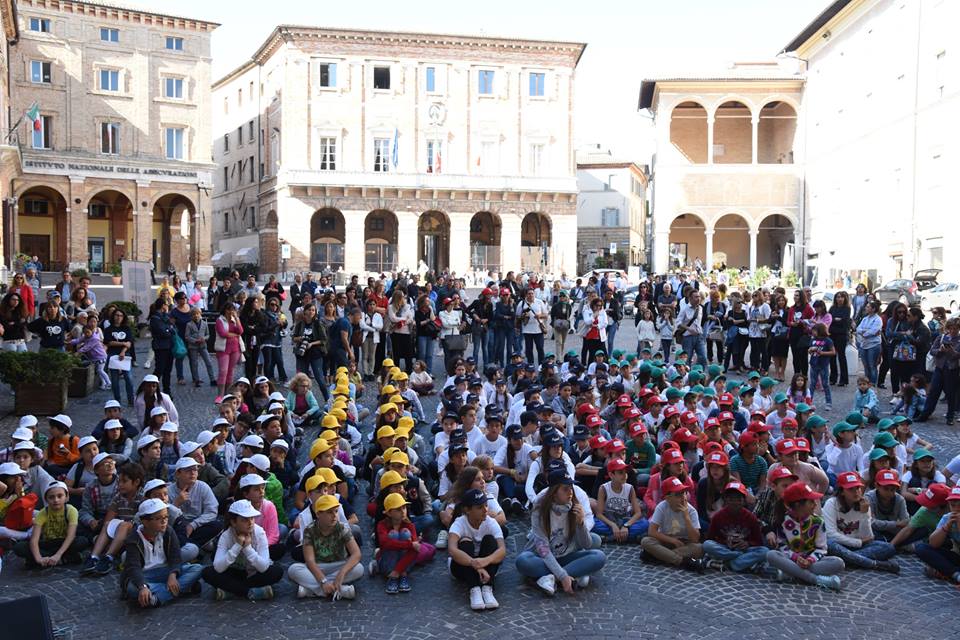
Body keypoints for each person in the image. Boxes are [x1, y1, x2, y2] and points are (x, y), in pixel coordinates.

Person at [121, 497, 204, 608]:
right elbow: (134, 567)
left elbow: (175, 557)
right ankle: (183, 588)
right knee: (132, 588)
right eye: (158, 518)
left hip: (166, 570)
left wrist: (173, 574)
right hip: (146, 576)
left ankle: (158, 597)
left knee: (198, 568)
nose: (164, 521)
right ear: (145, 521)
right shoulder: (133, 538)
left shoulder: (168, 531)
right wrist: (143, 586)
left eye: (166, 517)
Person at [765, 481, 843, 590]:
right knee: (771, 555)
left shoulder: (818, 522)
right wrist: (796, 558)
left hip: (811, 562)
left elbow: (822, 548)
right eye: (811, 501)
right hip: (790, 560)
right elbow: (782, 547)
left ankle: (791, 574)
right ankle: (817, 580)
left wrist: (809, 560)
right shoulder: (783, 521)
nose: (815, 504)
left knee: (838, 563)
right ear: (798, 504)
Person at [201, 499, 283, 601]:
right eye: (244, 520)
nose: (250, 523)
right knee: (207, 572)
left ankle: (230, 591)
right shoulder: (226, 535)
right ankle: (250, 592)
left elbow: (263, 567)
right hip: (234, 572)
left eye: (252, 518)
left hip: (254, 573)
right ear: (234, 522)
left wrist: (248, 548)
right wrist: (238, 546)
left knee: (276, 571)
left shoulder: (259, 533)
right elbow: (218, 567)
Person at [287, 493, 363, 599]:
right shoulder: (309, 530)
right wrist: (323, 582)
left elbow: (356, 554)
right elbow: (310, 561)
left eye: (336, 511)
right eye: (329, 512)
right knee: (293, 569)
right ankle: (339, 590)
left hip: (338, 565)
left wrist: (341, 574)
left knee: (359, 568)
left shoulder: (342, 528)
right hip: (318, 567)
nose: (334, 516)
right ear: (318, 514)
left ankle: (311, 590)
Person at [823, 471, 899, 572]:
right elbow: (831, 534)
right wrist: (858, 542)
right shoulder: (831, 503)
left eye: (858, 488)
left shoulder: (864, 505)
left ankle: (848, 560)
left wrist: (864, 514)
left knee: (889, 547)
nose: (856, 492)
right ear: (841, 491)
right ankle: (874, 564)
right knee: (830, 543)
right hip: (840, 544)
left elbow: (867, 536)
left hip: (858, 547)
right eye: (851, 489)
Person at [448, 488, 507, 611]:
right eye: (480, 507)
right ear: (467, 510)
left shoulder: (490, 523)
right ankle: (474, 589)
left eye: (486, 505)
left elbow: (502, 550)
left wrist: (486, 560)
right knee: (465, 543)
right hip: (462, 568)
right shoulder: (459, 523)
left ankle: (487, 588)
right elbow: (452, 550)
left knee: (491, 540)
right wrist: (477, 565)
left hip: (487, 566)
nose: (485, 510)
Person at [13, 481, 88, 568]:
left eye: (60, 496)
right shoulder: (42, 513)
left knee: (82, 541)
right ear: (46, 499)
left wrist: (58, 555)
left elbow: (71, 536)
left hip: (64, 542)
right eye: (51, 497)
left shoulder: (71, 510)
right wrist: (38, 558)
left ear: (67, 497)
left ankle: (50, 559)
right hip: (47, 543)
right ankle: (65, 559)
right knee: (19, 547)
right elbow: (34, 539)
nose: (56, 500)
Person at [640, 476, 705, 571]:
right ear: (667, 498)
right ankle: (682, 561)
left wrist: (686, 517)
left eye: (684, 493)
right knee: (646, 541)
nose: (683, 497)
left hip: (684, 544)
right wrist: (672, 540)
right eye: (678, 494)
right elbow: (652, 531)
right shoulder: (661, 507)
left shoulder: (691, 511)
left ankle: (658, 556)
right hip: (666, 541)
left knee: (700, 548)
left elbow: (695, 539)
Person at [702, 480, 767, 572]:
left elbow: (758, 541)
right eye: (731, 499)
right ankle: (739, 560)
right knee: (707, 545)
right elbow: (710, 538)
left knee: (764, 551)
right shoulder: (717, 516)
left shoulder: (751, 517)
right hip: (725, 548)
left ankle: (730, 564)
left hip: (744, 549)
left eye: (738, 499)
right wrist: (725, 542)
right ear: (725, 500)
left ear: (744, 501)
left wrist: (747, 543)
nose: (734, 502)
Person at [592, 458, 647, 543]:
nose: (625, 475)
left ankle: (611, 537)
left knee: (645, 523)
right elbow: (599, 514)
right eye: (621, 472)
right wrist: (613, 525)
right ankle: (628, 538)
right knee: (593, 523)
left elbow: (638, 513)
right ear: (611, 475)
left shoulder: (630, 488)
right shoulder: (603, 488)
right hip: (609, 521)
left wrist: (626, 526)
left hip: (625, 520)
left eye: (625, 472)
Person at [919, 316, 960, 425]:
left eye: (955, 328)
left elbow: (956, 356)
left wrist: (950, 351)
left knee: (951, 394)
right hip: (939, 368)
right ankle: (925, 414)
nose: (952, 331)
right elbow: (932, 350)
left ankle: (950, 417)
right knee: (933, 392)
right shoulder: (942, 337)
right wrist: (940, 350)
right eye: (951, 328)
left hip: (952, 369)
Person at [914, 486, 960, 583]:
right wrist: (947, 526)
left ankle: (944, 571)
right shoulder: (947, 518)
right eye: (953, 505)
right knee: (921, 548)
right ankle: (955, 574)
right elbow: (933, 543)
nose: (957, 509)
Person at [214, 302, 244, 397]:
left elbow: (240, 331)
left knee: (231, 371)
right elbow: (223, 333)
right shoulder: (220, 320)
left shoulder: (234, 320)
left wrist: (237, 318)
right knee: (223, 371)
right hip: (223, 349)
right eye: (229, 309)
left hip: (235, 348)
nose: (231, 311)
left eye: (233, 309)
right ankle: (220, 395)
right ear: (225, 310)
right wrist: (235, 335)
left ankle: (227, 394)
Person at [856, 301, 883, 385]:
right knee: (866, 366)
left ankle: (873, 383)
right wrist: (864, 332)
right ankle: (866, 383)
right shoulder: (865, 318)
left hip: (873, 345)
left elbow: (873, 331)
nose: (866, 308)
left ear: (873, 309)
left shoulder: (877, 319)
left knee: (872, 366)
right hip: (864, 345)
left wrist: (865, 333)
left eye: (868, 307)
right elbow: (858, 329)